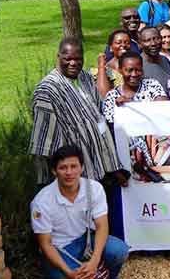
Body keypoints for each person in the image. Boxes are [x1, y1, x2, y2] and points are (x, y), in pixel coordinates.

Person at [30, 38, 125, 186]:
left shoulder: (85, 78)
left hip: (98, 169)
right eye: (68, 59)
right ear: (58, 57)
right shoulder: (47, 91)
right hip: (70, 181)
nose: (73, 63)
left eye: (78, 59)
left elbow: (99, 118)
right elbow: (45, 144)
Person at [30, 145, 129, 279]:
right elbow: (45, 244)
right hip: (60, 248)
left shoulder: (94, 188)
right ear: (54, 171)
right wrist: (69, 273)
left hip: (86, 239)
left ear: (82, 168)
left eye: (73, 166)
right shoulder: (41, 202)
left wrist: (94, 260)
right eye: (63, 167)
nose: (69, 172)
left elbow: (102, 226)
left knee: (119, 251)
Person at [102, 51, 167, 124]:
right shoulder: (112, 97)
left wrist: (133, 105)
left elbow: (163, 109)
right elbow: (111, 126)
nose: (134, 74)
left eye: (138, 70)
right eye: (129, 70)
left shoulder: (152, 85)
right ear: (120, 70)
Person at [138, 27, 170, 94]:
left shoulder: (165, 60)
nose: (153, 44)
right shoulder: (137, 64)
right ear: (140, 44)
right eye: (147, 40)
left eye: (157, 39)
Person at [93, 30, 130, 95]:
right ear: (110, 48)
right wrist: (101, 66)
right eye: (119, 42)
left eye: (127, 42)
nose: (123, 45)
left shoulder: (136, 66)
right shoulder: (106, 70)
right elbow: (103, 95)